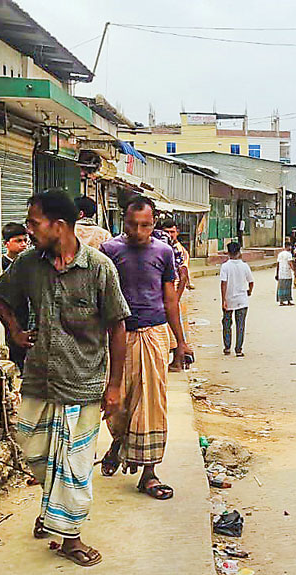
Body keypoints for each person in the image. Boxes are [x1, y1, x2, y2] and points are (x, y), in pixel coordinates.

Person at [0, 191, 129, 567]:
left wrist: (114, 387)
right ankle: (53, 510)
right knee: (34, 451)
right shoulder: (29, 264)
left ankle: (71, 537)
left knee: (73, 466)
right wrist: (15, 330)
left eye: (34, 223)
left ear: (59, 226)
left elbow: (117, 327)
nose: (29, 230)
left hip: (83, 385)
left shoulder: (100, 268)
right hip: (38, 380)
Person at [99, 196, 190, 500]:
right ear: (123, 221)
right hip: (117, 335)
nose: (139, 231)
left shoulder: (164, 253)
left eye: (146, 225)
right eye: (133, 224)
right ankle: (119, 443)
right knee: (118, 401)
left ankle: (149, 473)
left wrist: (181, 343)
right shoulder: (110, 251)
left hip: (153, 334)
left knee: (151, 403)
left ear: (153, 223)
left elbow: (170, 300)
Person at [158, 218, 191, 371]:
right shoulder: (164, 247)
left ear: (177, 232)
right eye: (167, 232)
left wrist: (175, 298)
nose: (170, 234)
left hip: (176, 293)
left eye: (172, 232)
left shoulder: (178, 250)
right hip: (169, 294)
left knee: (177, 328)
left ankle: (178, 361)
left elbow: (183, 276)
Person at [1, 223, 30, 370]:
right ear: (6, 243)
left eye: (25, 241)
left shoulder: (29, 264)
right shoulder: (0, 264)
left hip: (26, 313)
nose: (23, 245)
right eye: (18, 241)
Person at [220, 242, 254, 357]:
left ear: (228, 253)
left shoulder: (225, 266)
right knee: (240, 325)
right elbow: (251, 282)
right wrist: (249, 291)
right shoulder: (245, 266)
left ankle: (227, 347)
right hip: (242, 299)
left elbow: (223, 284)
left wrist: (223, 300)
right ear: (239, 252)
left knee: (227, 323)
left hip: (229, 299)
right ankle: (238, 349)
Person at [276, 241, 294, 305]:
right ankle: (288, 300)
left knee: (281, 287)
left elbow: (277, 264)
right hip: (287, 273)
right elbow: (290, 263)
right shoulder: (289, 254)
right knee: (288, 287)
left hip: (281, 273)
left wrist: (277, 273)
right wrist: (294, 270)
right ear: (288, 246)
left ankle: (281, 301)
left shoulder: (280, 254)